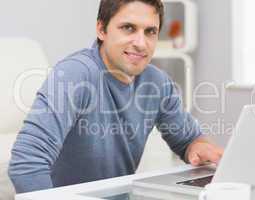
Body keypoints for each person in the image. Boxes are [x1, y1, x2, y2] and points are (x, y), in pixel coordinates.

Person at [8, 0, 223, 193]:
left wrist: (198, 146)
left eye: (150, 32)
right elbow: (26, 162)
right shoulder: (74, 75)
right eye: (128, 28)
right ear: (101, 29)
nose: (141, 43)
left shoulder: (157, 82)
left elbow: (188, 140)